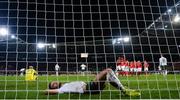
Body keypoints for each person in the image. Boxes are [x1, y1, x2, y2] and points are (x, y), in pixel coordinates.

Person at [45, 68, 141, 97]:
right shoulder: (61, 89)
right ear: (54, 88)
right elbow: (46, 91)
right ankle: (124, 89)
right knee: (108, 71)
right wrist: (50, 90)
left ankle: (123, 89)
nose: (55, 83)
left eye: (54, 82)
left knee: (108, 74)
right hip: (91, 88)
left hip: (90, 84)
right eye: (53, 84)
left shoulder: (65, 84)